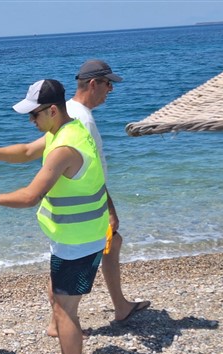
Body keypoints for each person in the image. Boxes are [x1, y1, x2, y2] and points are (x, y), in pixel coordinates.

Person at [0, 79, 108, 354]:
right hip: (75, 237)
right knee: (58, 299)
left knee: (65, 310)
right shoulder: (63, 131)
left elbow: (30, 195)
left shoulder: (66, 148)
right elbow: (27, 151)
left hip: (78, 241)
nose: (31, 121)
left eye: (34, 115)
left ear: (52, 110)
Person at [61, 59, 150, 329]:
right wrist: (110, 209)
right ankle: (63, 321)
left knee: (104, 246)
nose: (110, 89)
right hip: (84, 202)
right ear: (92, 83)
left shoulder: (67, 110)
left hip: (72, 201)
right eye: (108, 84)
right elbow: (91, 171)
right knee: (75, 260)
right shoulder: (82, 119)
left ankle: (120, 306)